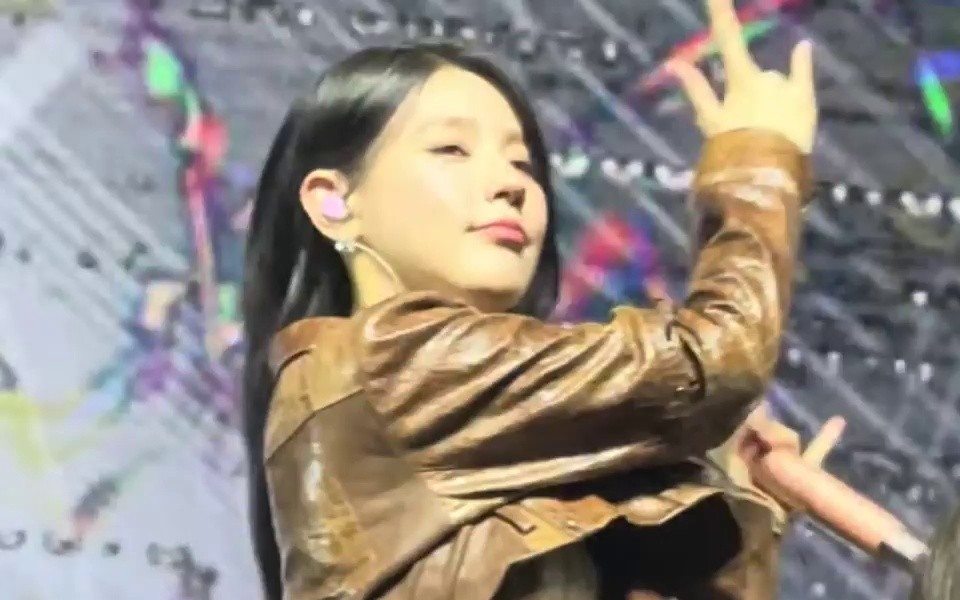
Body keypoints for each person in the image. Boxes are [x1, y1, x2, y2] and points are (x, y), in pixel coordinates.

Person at [240, 0, 823, 597]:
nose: (511, 184)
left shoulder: (483, 432)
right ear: (334, 203)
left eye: (522, 162)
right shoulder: (383, 362)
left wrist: (749, 511)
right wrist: (759, 161)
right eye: (451, 150)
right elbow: (710, 361)